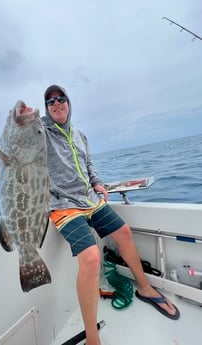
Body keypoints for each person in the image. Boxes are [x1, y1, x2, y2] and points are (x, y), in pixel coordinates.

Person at [42, 84, 180, 345]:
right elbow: (25, 133)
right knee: (92, 257)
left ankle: (145, 287)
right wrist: (24, 119)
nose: (56, 103)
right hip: (63, 206)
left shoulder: (80, 134)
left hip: (90, 199)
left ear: (69, 103)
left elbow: (89, 163)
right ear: (47, 109)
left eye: (61, 99)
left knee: (124, 232)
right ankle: (93, 339)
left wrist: (97, 182)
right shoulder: (43, 133)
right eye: (50, 102)